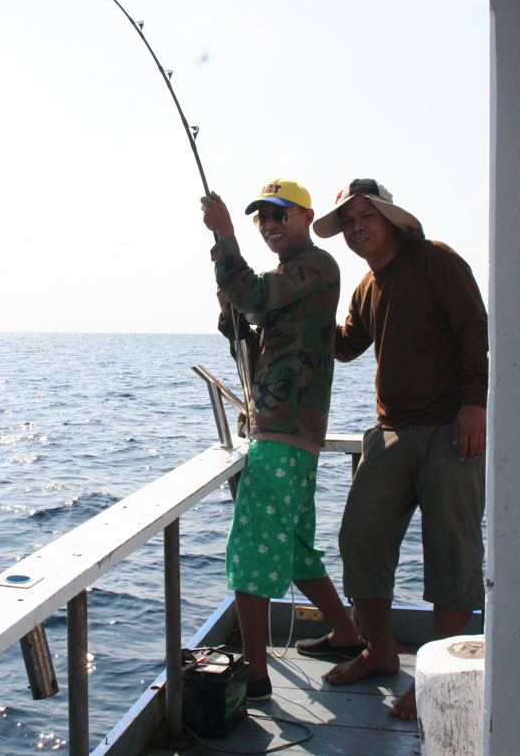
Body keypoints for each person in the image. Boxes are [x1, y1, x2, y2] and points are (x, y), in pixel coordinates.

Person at [295, 178, 487, 721]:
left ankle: (437, 677)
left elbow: (475, 328)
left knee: (451, 552)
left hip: (452, 428)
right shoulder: (366, 286)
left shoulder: (437, 261)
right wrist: (301, 315)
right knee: (360, 536)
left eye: (364, 219)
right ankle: (380, 653)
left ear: (390, 218)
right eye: (348, 224)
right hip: (391, 432)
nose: (356, 230)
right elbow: (347, 346)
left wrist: (474, 404)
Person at [200, 179, 363, 702]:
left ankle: (254, 674)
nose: (270, 225)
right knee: (293, 551)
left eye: (280, 215)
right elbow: (249, 339)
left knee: (250, 551)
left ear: (306, 217)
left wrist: (225, 239)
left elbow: (257, 295)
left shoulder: (317, 266)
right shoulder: (284, 277)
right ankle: (346, 632)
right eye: (260, 219)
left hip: (284, 434)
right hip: (283, 430)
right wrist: (231, 312)